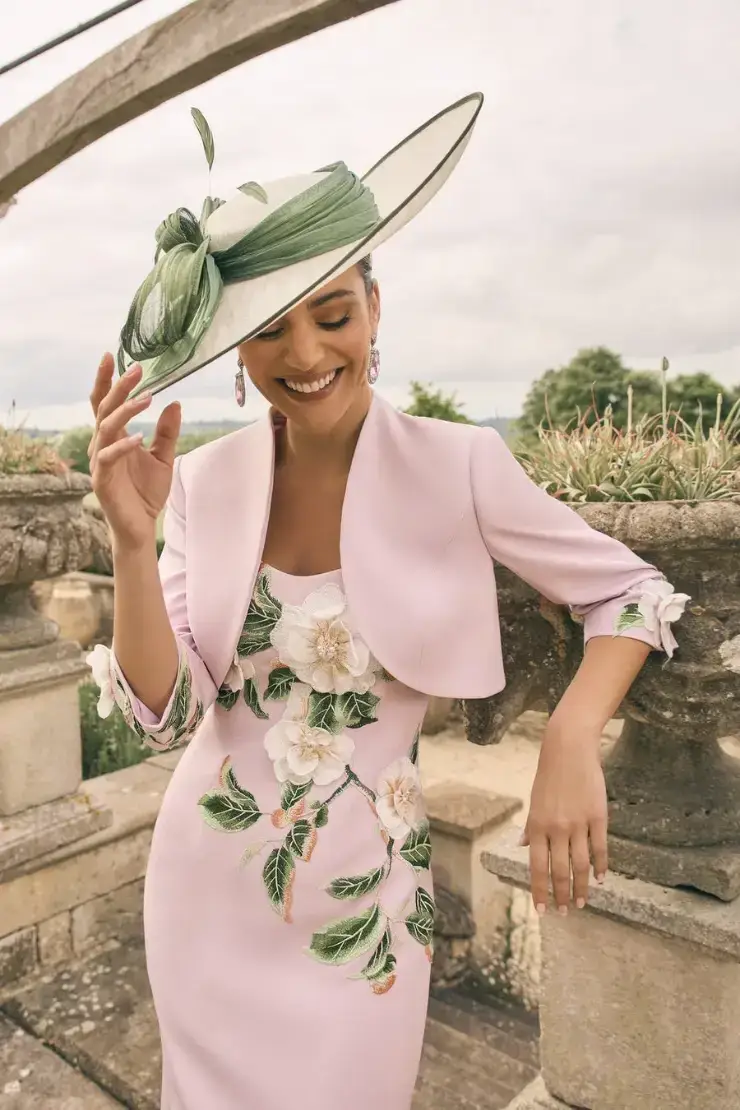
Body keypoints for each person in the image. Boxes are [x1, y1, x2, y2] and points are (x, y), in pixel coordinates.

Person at [85, 94, 687, 1110]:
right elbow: (166, 710)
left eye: (333, 316)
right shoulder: (201, 482)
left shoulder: (461, 464)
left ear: (374, 308)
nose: (305, 355)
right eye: (270, 331)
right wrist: (131, 545)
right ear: (237, 354)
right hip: (204, 897)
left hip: (363, 916)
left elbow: (631, 593)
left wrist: (570, 734)